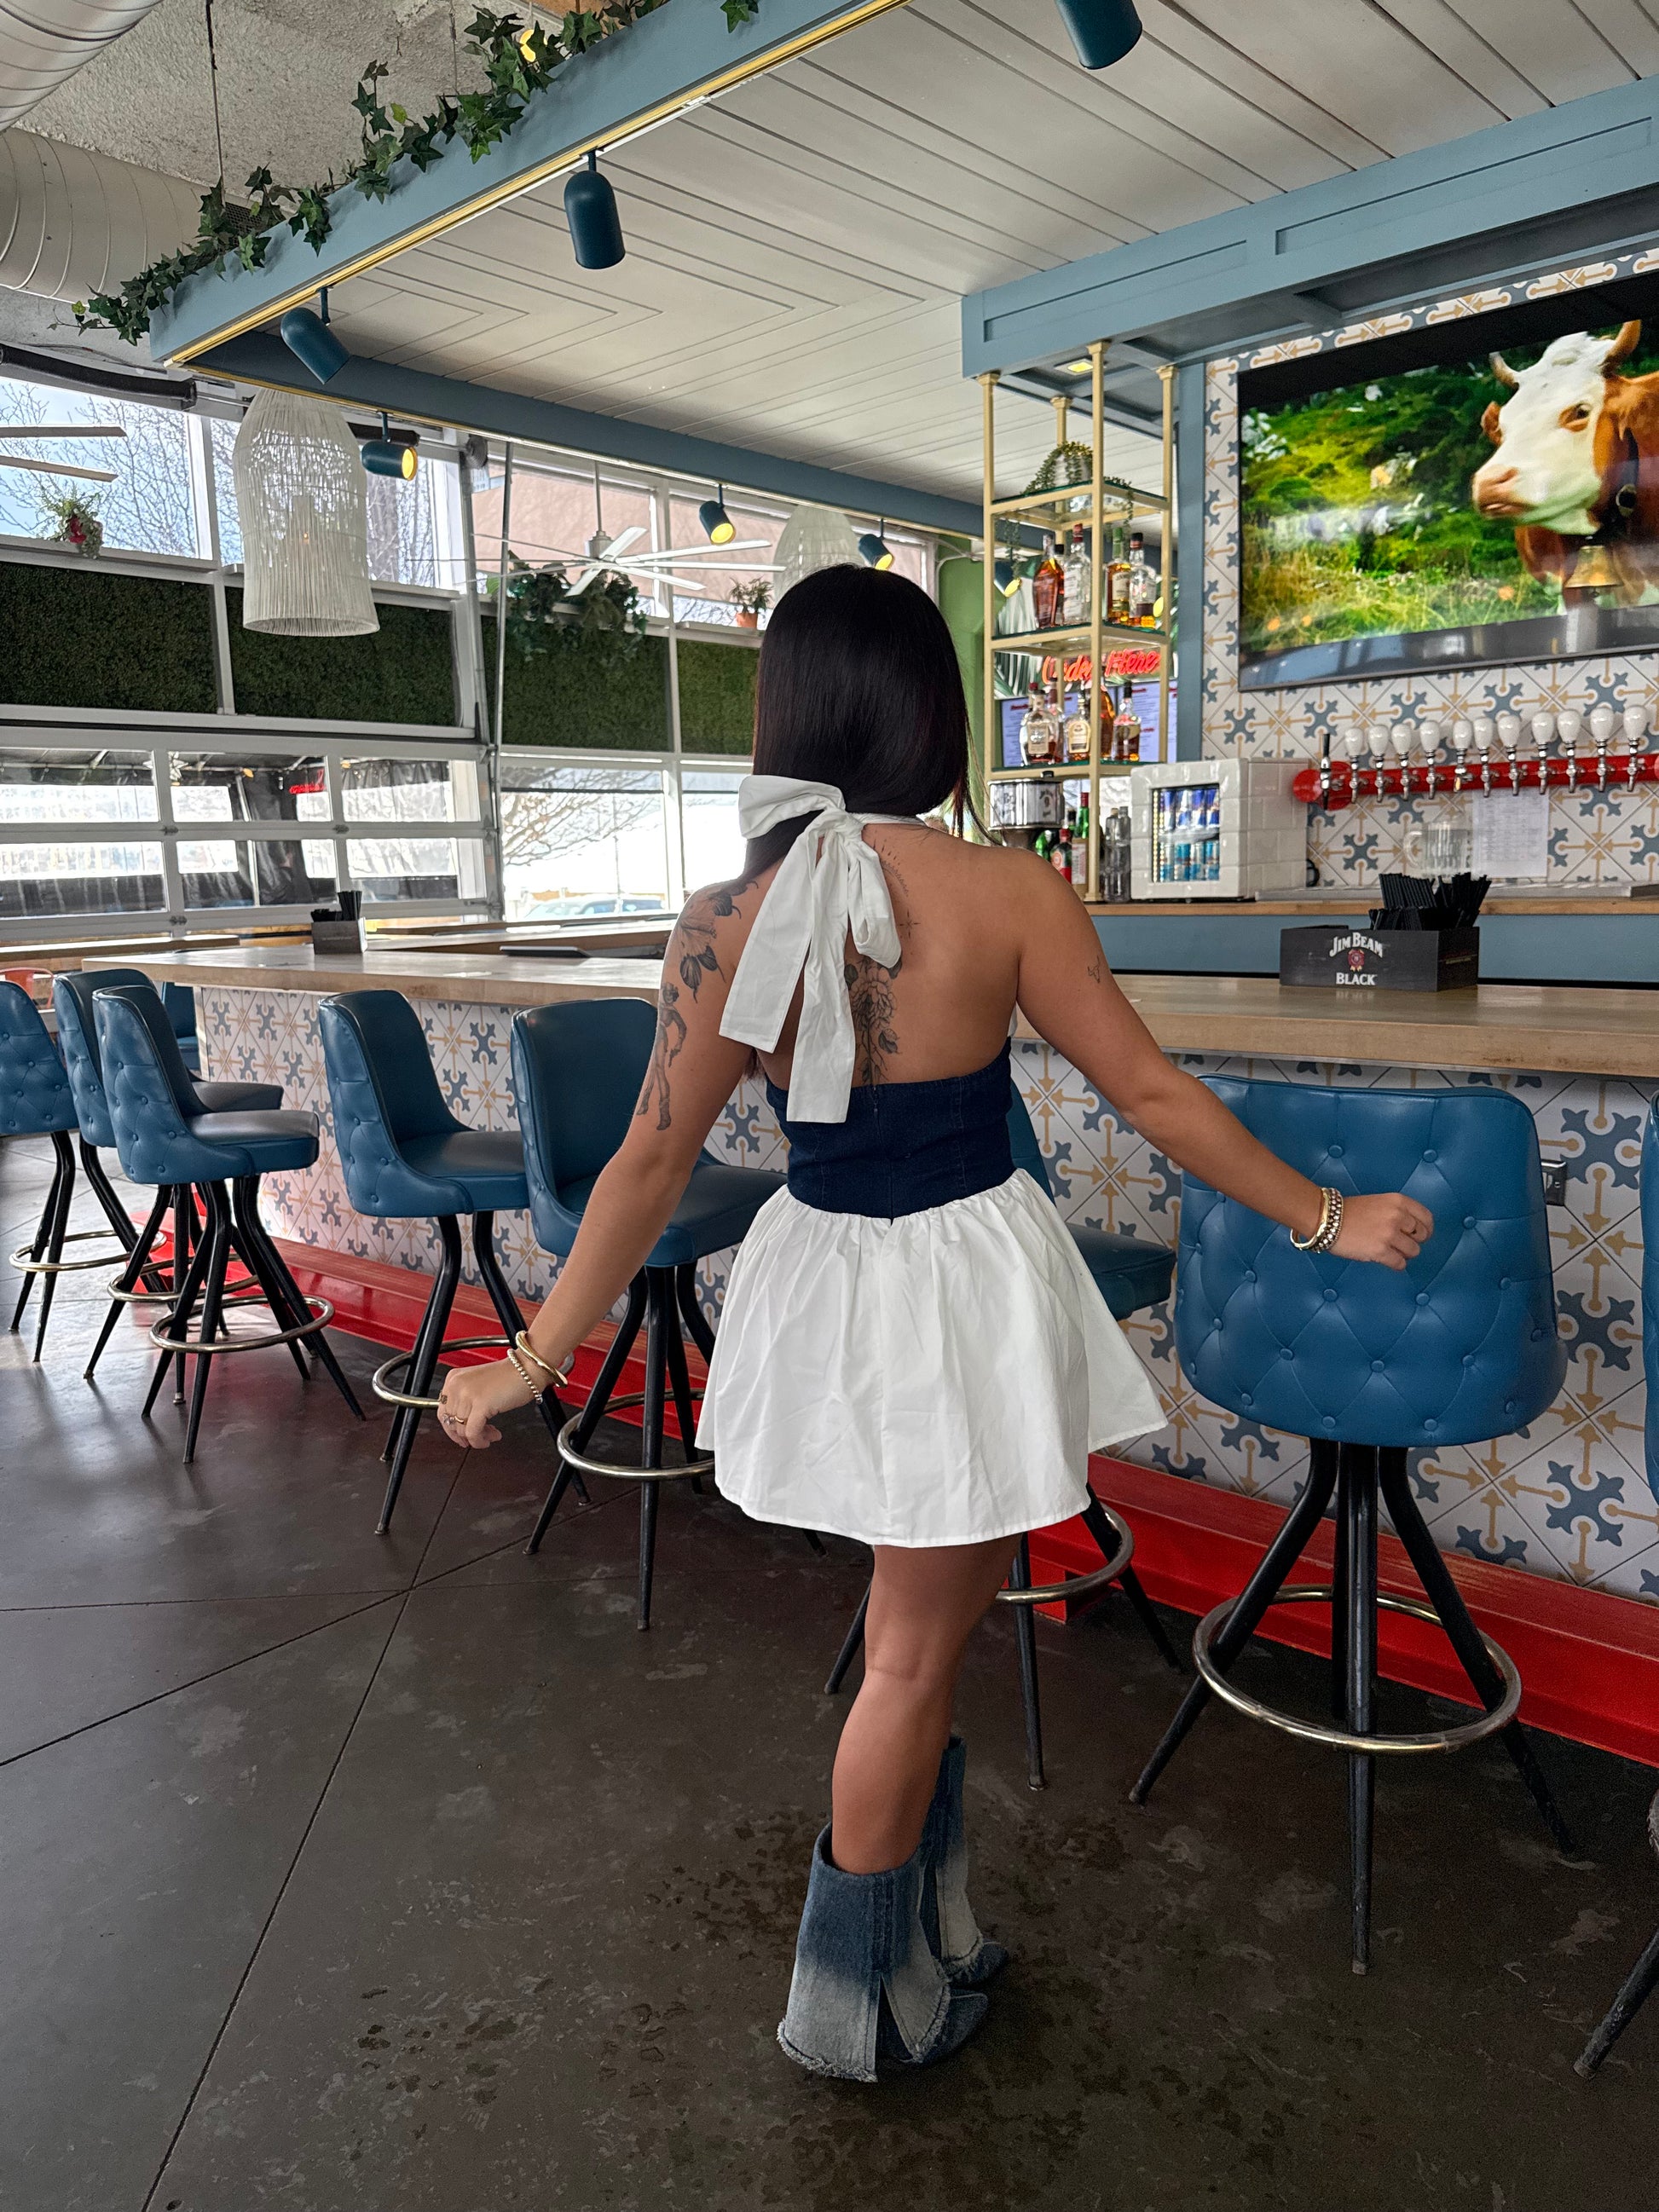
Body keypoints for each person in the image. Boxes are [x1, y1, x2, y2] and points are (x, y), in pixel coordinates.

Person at [437, 564, 1434, 2083]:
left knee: (924, 1636)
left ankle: (922, 1931)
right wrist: (1323, 1216)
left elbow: (644, 1163)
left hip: (827, 1282)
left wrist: (531, 1359)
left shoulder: (723, 918)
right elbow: (1150, 1095)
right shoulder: (1006, 891)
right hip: (962, 1288)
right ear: (931, 713)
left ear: (786, 716)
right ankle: (846, 2000)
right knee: (909, 1653)